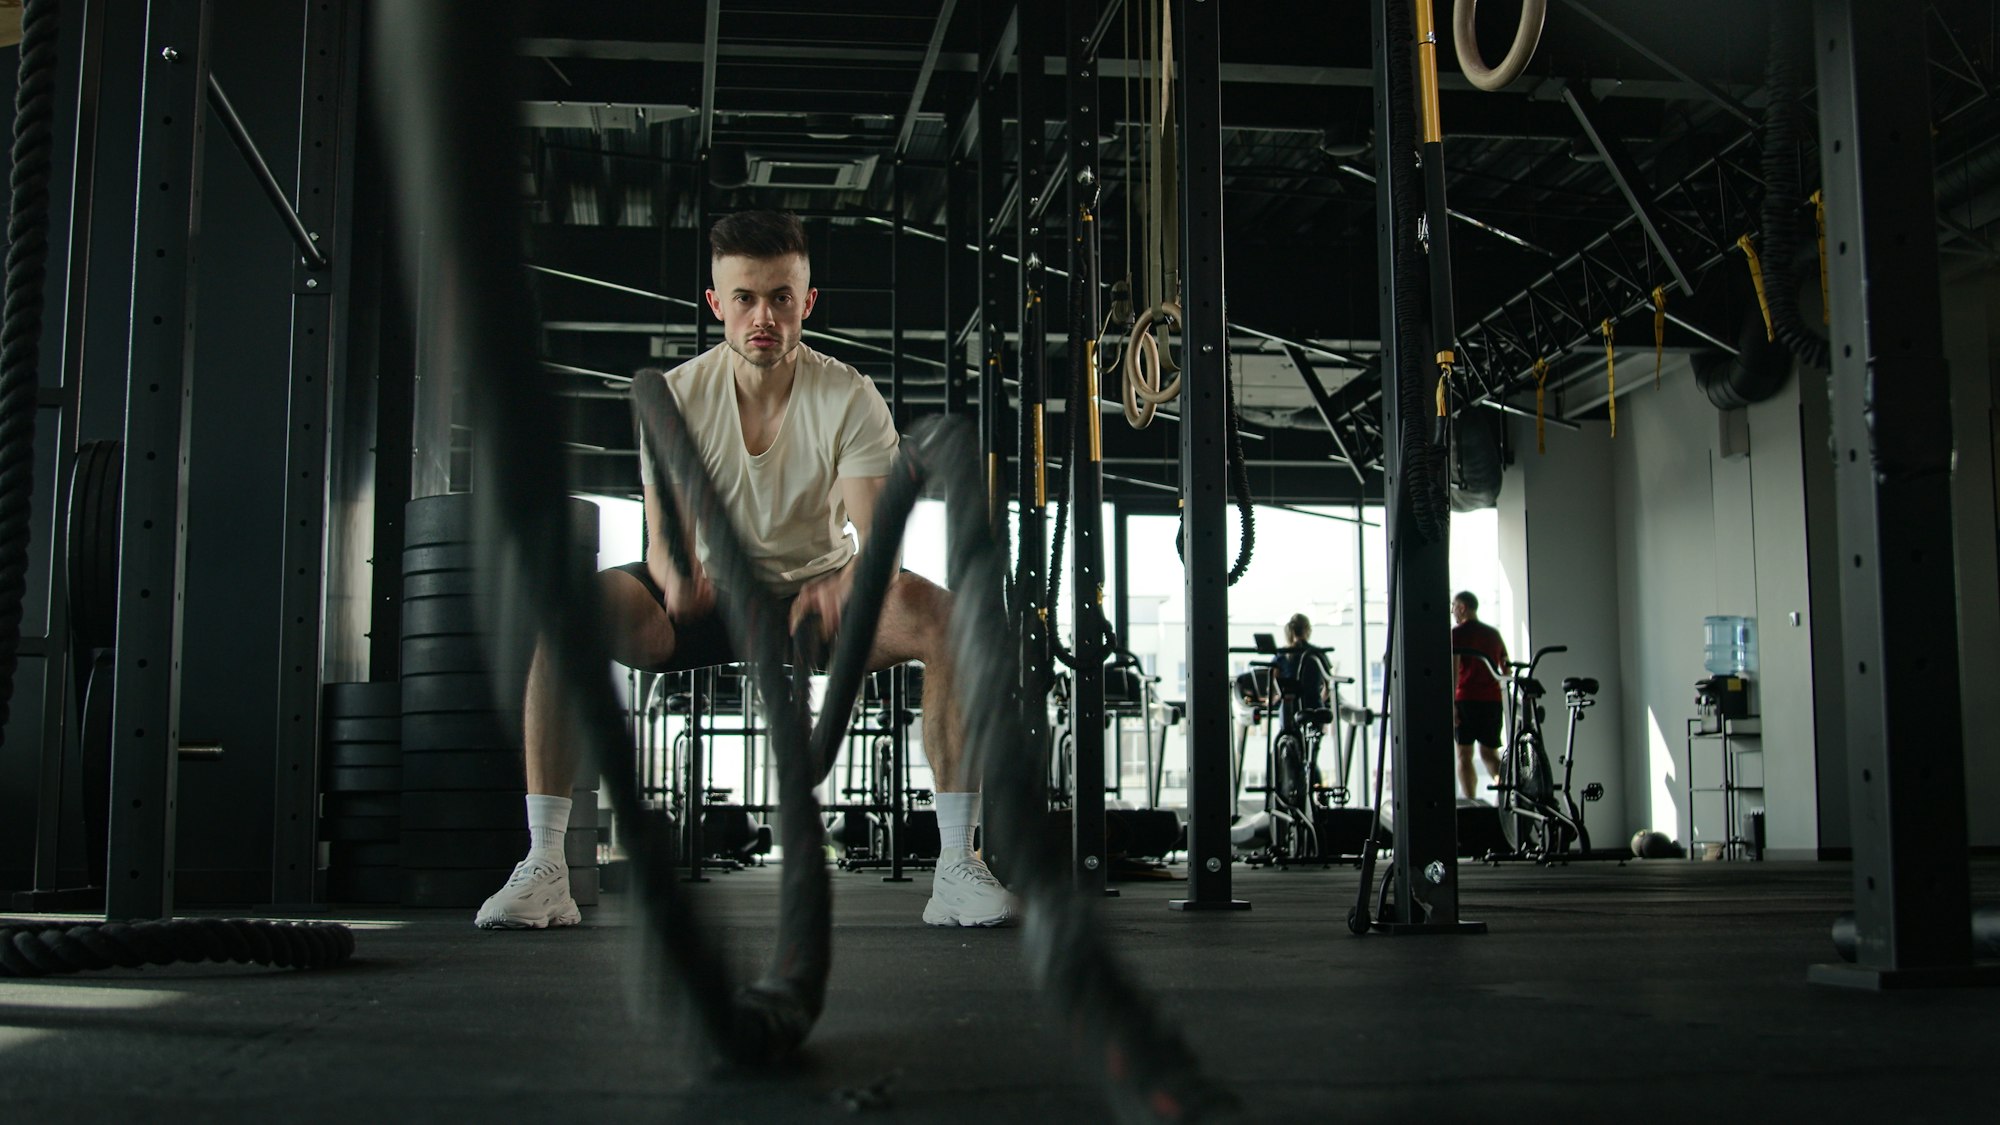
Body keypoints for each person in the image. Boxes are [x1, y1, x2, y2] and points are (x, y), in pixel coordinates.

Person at [474, 210, 1016, 930]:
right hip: (712, 594)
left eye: (781, 297)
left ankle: (956, 864)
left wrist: (838, 588)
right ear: (716, 304)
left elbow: (874, 536)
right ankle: (544, 866)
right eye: (745, 298)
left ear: (807, 302)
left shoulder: (849, 396)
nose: (764, 315)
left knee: (945, 615)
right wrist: (675, 578)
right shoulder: (675, 397)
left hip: (815, 596)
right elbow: (667, 537)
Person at [1450, 591, 1509, 802]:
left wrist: (1451, 705)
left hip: (1466, 700)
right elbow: (1507, 670)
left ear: (1463, 607)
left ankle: (1470, 803)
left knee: (1464, 755)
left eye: (1454, 606)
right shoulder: (1493, 634)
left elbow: (1453, 672)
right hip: (1492, 701)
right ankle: (1506, 798)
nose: (1452, 611)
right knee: (1490, 755)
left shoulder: (1457, 634)